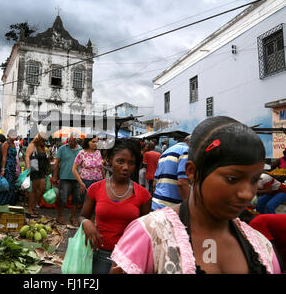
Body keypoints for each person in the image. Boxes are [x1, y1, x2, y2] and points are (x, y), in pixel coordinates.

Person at [110, 116, 281, 274]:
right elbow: (181, 183)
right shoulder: (150, 236)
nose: (247, 194)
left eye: (254, 180)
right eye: (232, 178)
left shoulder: (261, 247)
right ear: (192, 171)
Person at [79, 138, 151, 274]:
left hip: (129, 257)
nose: (126, 167)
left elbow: (145, 232)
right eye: (120, 161)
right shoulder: (95, 188)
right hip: (99, 254)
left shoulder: (143, 195)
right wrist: (86, 222)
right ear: (110, 159)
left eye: (131, 163)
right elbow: (82, 216)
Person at [151, 135, 190, 210]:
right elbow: (182, 183)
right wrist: (189, 209)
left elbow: (154, 184)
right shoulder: (186, 151)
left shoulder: (165, 153)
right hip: (172, 209)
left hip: (156, 205)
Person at [52, 133, 83, 225]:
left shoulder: (81, 150)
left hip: (77, 178)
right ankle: (59, 217)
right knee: (63, 198)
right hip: (64, 177)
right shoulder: (62, 148)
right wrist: (55, 176)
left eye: (72, 141)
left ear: (77, 141)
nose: (70, 142)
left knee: (76, 199)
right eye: (69, 140)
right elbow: (57, 163)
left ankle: (72, 218)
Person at [73, 136, 105, 206]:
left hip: (99, 182)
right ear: (87, 142)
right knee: (87, 205)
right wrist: (81, 183)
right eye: (93, 142)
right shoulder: (82, 153)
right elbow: (74, 169)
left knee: (98, 205)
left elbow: (101, 167)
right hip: (86, 183)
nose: (95, 144)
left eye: (96, 142)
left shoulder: (98, 153)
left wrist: (104, 180)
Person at [25, 132, 50, 217]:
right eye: (43, 140)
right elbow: (27, 156)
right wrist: (28, 168)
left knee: (42, 189)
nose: (44, 142)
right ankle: (30, 208)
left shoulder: (43, 146)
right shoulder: (33, 144)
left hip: (42, 170)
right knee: (34, 190)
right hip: (35, 169)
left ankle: (35, 206)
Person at [0, 129, 18, 206]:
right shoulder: (6, 144)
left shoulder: (14, 144)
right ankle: (2, 205)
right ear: (9, 135)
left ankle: (9, 205)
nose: (14, 136)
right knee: (6, 187)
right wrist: (3, 169)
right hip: (7, 167)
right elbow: (4, 157)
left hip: (13, 167)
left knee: (12, 187)